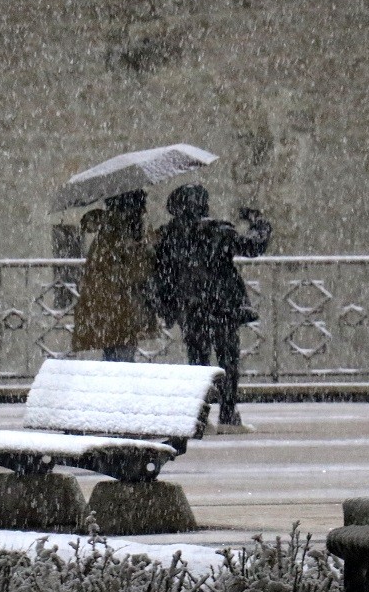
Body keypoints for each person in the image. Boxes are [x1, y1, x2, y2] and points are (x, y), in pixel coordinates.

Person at [153, 184, 271, 431]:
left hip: (191, 307)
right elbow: (252, 247)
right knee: (227, 359)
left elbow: (161, 276)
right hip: (222, 306)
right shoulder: (218, 231)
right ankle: (228, 414)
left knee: (198, 362)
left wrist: (167, 305)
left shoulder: (167, 235)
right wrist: (259, 223)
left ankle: (200, 416)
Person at [71, 190, 157, 362]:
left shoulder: (109, 231)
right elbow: (132, 274)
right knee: (121, 363)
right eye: (141, 208)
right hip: (119, 310)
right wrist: (145, 249)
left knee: (114, 360)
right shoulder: (119, 234)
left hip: (108, 310)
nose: (144, 213)